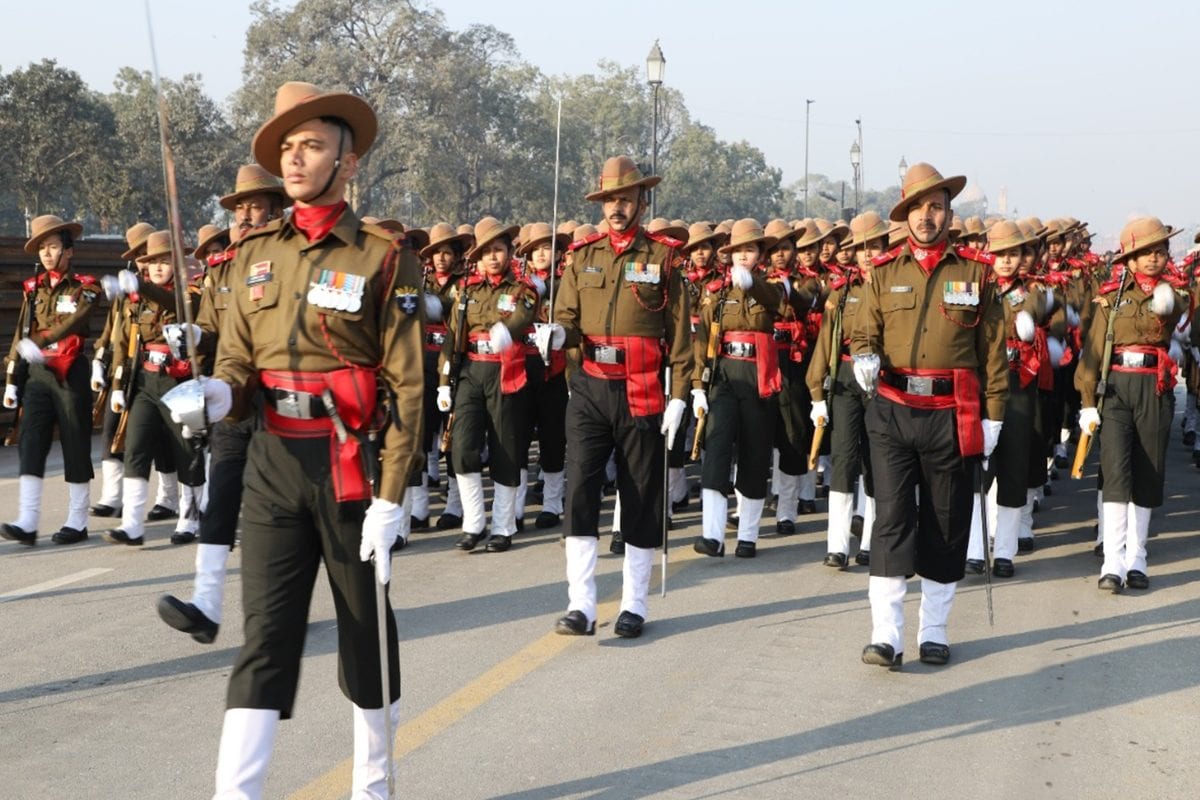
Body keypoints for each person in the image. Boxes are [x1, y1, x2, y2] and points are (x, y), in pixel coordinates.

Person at [192, 81, 423, 799]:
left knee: (363, 631)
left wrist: (393, 495)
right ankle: (237, 792)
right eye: (287, 148)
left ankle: (374, 784)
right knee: (264, 634)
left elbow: (409, 385)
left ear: (345, 163)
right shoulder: (254, 255)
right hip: (271, 460)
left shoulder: (382, 257)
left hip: (348, 466)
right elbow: (235, 360)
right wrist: (216, 394)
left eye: (312, 146)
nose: (294, 160)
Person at [851, 162, 1007, 669]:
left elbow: (994, 353)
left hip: (952, 414)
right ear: (905, 215)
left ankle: (934, 631)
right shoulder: (883, 273)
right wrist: (865, 355)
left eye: (935, 207)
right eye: (917, 207)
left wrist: (994, 416)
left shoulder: (977, 274)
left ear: (948, 214)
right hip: (893, 410)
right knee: (891, 519)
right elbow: (863, 331)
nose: (926, 216)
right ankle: (886, 635)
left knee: (946, 521)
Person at [551, 155, 691, 639]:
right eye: (610, 199)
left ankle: (634, 604)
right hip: (589, 385)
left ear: (641, 201)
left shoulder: (664, 258)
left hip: (642, 387)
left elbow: (681, 337)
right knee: (580, 490)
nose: (616, 207)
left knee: (640, 496)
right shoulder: (582, 255)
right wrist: (557, 334)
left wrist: (682, 394)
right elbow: (568, 316)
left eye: (625, 198)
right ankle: (581, 604)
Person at [157, 163, 290, 643]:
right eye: (241, 210)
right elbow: (213, 328)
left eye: (258, 208)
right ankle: (206, 606)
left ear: (279, 212)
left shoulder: (293, 260)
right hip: (233, 400)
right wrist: (193, 334)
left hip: (283, 401)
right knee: (221, 497)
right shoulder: (221, 270)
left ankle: (277, 606)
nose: (247, 217)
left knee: (276, 509)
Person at [1076, 217, 1187, 593]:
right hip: (1117, 390)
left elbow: (1177, 312)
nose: (1155, 258)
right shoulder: (1108, 299)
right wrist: (1087, 402)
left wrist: (1169, 301)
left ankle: (1137, 557)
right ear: (1130, 259)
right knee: (1115, 472)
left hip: (1154, 387)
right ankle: (1112, 562)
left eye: (1160, 251)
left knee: (1148, 471)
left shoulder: (1173, 293)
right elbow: (1092, 355)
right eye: (1146, 252)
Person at [435, 217, 537, 553]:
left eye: (498, 249)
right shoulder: (466, 290)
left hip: (505, 372)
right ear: (477, 258)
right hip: (471, 373)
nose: (493, 257)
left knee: (505, 449)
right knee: (462, 448)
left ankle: (503, 526)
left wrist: (506, 330)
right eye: (487, 252)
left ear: (509, 252)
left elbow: (524, 314)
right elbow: (453, 337)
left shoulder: (522, 288)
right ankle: (474, 523)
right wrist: (444, 382)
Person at [1, 215, 101, 546]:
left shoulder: (85, 286)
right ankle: (27, 520)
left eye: (54, 246)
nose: (47, 254)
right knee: (30, 442)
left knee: (75, 441)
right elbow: (21, 332)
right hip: (38, 374)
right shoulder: (34, 289)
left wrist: (41, 342)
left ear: (68, 251)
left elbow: (77, 320)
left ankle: (77, 519)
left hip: (71, 372)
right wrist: (13, 378)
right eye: (42, 248)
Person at [691, 219, 788, 558]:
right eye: (738, 251)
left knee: (754, 453)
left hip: (759, 375)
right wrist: (697, 386)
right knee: (716, 450)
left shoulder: (772, 285)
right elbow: (702, 339)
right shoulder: (717, 292)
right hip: (724, 375)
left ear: (761, 253)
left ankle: (747, 535)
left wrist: (753, 284)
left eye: (750, 250)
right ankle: (712, 536)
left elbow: (779, 303)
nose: (744, 256)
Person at [102, 231, 206, 546]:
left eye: (164, 261)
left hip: (179, 383)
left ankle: (189, 519)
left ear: (177, 263)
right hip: (146, 380)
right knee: (135, 447)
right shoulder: (139, 300)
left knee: (184, 450)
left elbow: (177, 304)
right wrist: (119, 384)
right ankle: (132, 524)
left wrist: (142, 286)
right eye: (152, 262)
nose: (159, 267)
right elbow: (126, 341)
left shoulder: (190, 293)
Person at [964, 220, 1050, 578]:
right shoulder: (970, 286)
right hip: (979, 383)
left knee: (1013, 466)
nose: (1005, 260)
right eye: (998, 253)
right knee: (977, 468)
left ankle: (1005, 550)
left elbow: (1040, 310)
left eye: (1013, 254)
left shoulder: (1034, 291)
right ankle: (973, 547)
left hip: (1016, 384)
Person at [807, 211, 888, 569]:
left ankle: (871, 539)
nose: (868, 254)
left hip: (883, 380)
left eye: (876, 246)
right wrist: (816, 393)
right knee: (842, 460)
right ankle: (837, 545)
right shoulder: (841, 292)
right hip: (844, 377)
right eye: (861, 248)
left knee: (877, 462)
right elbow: (826, 341)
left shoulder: (895, 285)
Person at [90, 222, 181, 522]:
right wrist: (99, 358)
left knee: (162, 438)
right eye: (141, 255)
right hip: (123, 368)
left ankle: (168, 498)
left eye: (150, 254)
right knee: (113, 430)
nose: (146, 261)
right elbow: (112, 329)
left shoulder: (162, 290)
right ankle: (113, 498)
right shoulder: (126, 288)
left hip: (152, 368)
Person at [516, 221, 572, 529]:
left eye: (547, 248)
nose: (540, 254)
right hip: (523, 369)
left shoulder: (567, 283)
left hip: (556, 371)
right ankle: (516, 506)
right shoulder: (519, 284)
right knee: (520, 439)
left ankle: (551, 503)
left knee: (553, 440)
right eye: (535, 250)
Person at [418, 223, 472, 531]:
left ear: (456, 256)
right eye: (436, 253)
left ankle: (454, 505)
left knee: (451, 439)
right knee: (423, 438)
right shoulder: (420, 283)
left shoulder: (464, 284)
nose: (441, 258)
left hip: (453, 364)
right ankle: (419, 507)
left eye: (447, 253)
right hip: (423, 364)